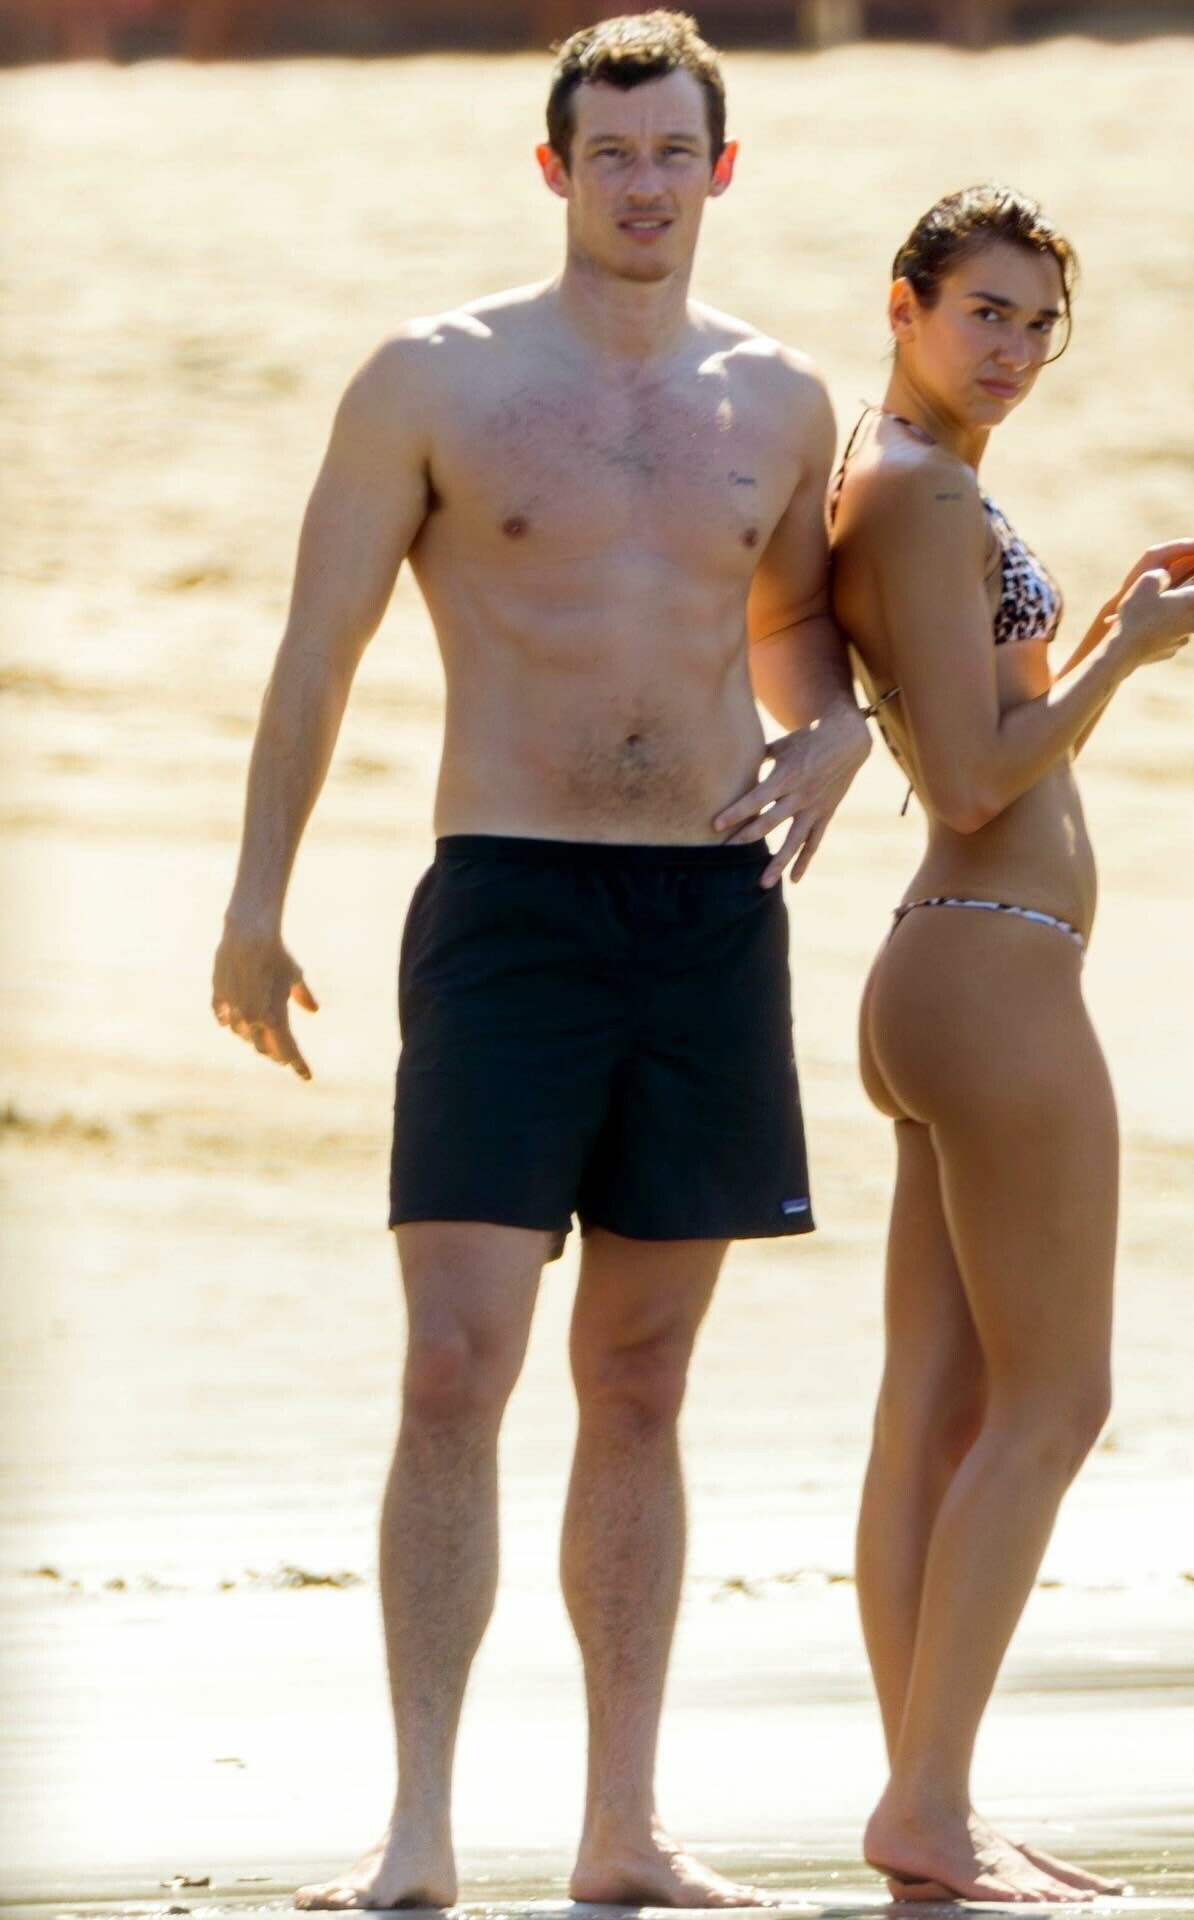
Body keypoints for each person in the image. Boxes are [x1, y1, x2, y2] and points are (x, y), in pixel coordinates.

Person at [210, 12, 870, 1909]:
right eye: (611, 154)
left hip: (708, 918)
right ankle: (418, 1828)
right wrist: (255, 901)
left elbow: (795, 628)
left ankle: (621, 1832)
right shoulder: (435, 377)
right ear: (555, 170)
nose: (643, 184)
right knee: (452, 1363)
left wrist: (837, 726)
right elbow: (318, 648)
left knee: (642, 1382)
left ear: (721, 171)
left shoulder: (780, 398)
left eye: (673, 153)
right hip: (508, 905)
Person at [828, 184, 1194, 1905]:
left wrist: (1102, 627)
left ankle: (926, 1804)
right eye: (984, 313)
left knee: (934, 1412)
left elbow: (985, 724)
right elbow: (969, 779)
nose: (1011, 350)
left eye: (1036, 325)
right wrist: (1131, 656)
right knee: (1056, 1400)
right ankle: (927, 1801)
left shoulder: (902, 476)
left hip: (944, 970)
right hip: (993, 973)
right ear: (905, 305)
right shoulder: (926, 491)